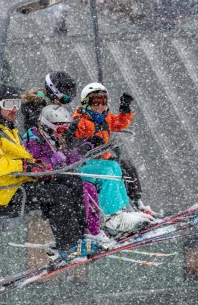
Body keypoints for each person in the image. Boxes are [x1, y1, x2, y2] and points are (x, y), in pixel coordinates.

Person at [0, 84, 95, 263]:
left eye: (17, 104)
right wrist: (26, 166)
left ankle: (83, 237)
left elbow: (21, 161)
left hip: (21, 185)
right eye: (9, 104)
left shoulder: (7, 131)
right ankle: (68, 246)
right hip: (7, 193)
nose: (14, 110)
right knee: (59, 194)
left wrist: (39, 166)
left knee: (71, 182)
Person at [66, 82, 160, 234]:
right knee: (108, 174)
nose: (100, 106)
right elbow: (71, 148)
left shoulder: (105, 118)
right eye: (96, 103)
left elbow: (120, 123)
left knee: (118, 168)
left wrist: (125, 108)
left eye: (103, 102)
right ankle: (111, 217)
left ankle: (126, 209)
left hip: (102, 161)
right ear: (86, 103)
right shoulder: (79, 122)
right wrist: (88, 144)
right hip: (85, 165)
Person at [22, 105, 111, 244]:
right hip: (42, 180)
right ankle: (77, 234)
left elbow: (67, 159)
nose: (62, 133)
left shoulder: (54, 138)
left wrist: (85, 147)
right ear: (47, 125)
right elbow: (35, 163)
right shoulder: (33, 139)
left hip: (57, 176)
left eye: (65, 129)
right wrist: (54, 160)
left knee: (89, 188)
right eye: (60, 129)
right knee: (77, 188)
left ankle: (92, 230)